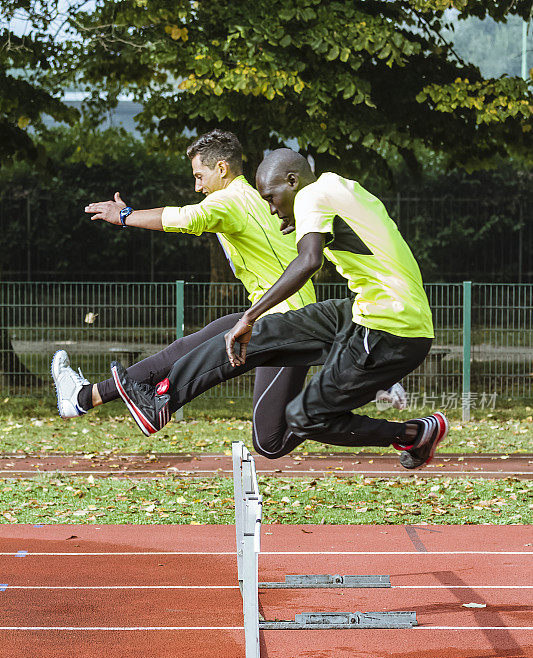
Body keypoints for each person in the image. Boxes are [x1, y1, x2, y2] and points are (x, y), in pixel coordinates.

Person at [52, 131, 406, 456]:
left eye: (199, 176)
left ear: (221, 168)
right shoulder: (256, 199)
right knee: (185, 350)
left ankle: (403, 427)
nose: (196, 186)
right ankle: (84, 397)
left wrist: (126, 215)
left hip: (284, 321)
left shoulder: (231, 200)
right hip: (274, 313)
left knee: (270, 440)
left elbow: (186, 218)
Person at [113, 148, 446, 468]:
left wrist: (250, 313)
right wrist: (302, 224)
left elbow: (308, 261)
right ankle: (162, 402)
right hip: (367, 310)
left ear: (292, 181)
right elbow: (354, 236)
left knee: (302, 416)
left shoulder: (314, 198)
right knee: (260, 332)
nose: (272, 209)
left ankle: (414, 433)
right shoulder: (339, 186)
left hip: (392, 329)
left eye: (271, 198)